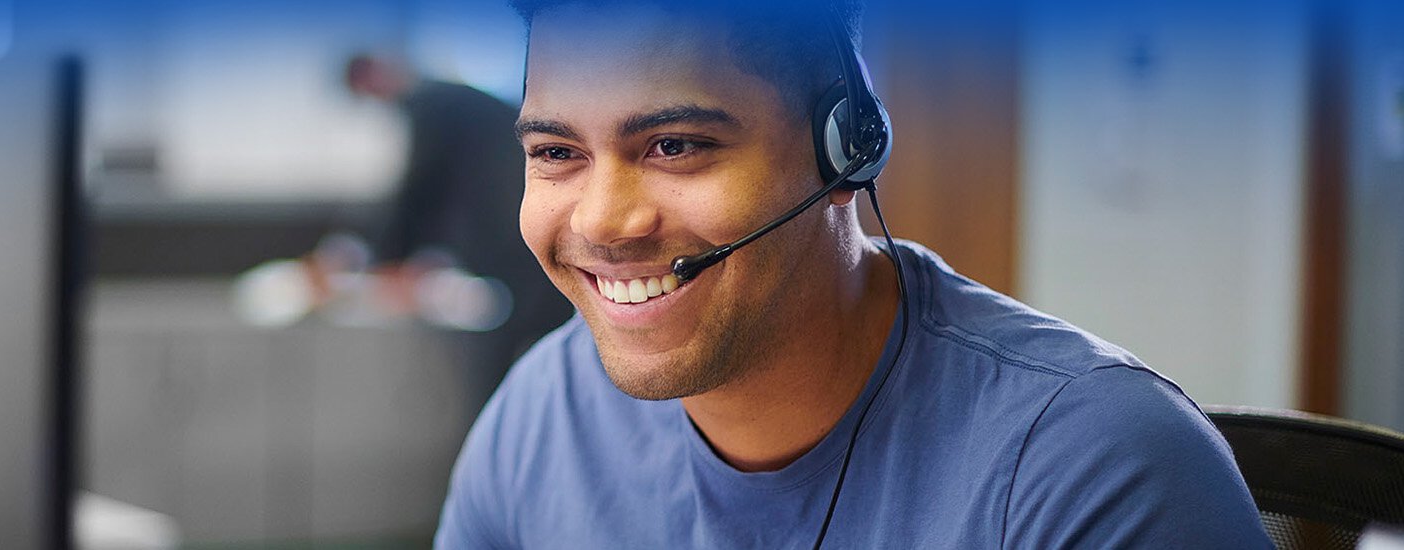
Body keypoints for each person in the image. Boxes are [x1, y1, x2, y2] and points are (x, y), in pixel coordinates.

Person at [434, 1, 1272, 547]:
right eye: (556, 153)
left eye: (677, 145)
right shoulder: (539, 422)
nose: (602, 222)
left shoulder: (1098, 467)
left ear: (847, 148)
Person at [336, 53, 574, 403]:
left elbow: (418, 189)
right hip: (529, 233)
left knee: (497, 365)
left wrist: (379, 256)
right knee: (549, 355)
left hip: (508, 245)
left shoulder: (430, 104)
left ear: (370, 76)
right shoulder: (454, 99)